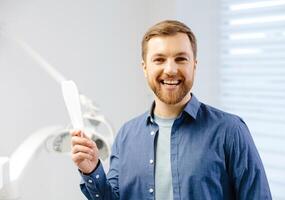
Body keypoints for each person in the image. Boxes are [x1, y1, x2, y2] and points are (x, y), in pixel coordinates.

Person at [70, 20, 272, 200]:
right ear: (144, 67)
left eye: (181, 59)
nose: (170, 69)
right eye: (159, 59)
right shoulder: (126, 135)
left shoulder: (230, 130)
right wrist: (92, 170)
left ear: (194, 65)